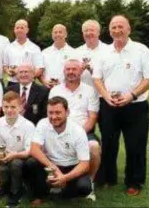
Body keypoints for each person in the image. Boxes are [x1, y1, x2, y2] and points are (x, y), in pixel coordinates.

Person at [93, 15, 149, 196]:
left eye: (121, 26)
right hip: (109, 106)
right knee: (109, 143)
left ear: (128, 29)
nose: (117, 30)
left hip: (136, 106)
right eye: (113, 27)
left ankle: (134, 181)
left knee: (135, 144)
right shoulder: (104, 52)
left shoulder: (141, 50)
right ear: (109, 30)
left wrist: (132, 95)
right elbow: (97, 78)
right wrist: (106, 97)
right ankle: (108, 178)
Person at [49, 57, 101, 201]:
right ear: (64, 71)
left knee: (94, 147)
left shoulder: (90, 90)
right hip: (58, 131)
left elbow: (92, 118)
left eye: (74, 69)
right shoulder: (55, 90)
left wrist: (78, 134)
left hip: (84, 132)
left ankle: (90, 182)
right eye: (68, 69)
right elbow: (51, 115)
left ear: (81, 71)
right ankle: (54, 180)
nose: (71, 72)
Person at [27, 96, 92, 206]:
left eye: (58, 113)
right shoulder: (43, 123)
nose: (53, 117)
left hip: (71, 167)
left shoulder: (78, 131)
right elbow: (34, 149)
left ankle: (61, 192)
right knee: (31, 163)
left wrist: (65, 178)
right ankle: (40, 194)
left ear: (67, 112)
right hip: (50, 166)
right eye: (50, 113)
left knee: (84, 187)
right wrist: (54, 168)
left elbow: (85, 164)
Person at [0, 91, 35, 207]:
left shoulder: (28, 125)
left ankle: (16, 193)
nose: (9, 110)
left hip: (21, 163)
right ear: (2, 107)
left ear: (21, 107)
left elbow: (29, 151)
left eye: (13, 107)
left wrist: (14, 155)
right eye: (6, 107)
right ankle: (9, 184)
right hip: (2, 163)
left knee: (15, 163)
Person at [3, 19, 44, 87]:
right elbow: (5, 66)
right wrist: (8, 72)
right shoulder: (8, 48)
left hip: (29, 84)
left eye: (22, 28)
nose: (19, 30)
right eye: (17, 28)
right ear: (14, 30)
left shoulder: (35, 48)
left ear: (27, 30)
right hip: (13, 83)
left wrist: (28, 77)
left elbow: (40, 69)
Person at [39, 24, 75, 88]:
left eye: (60, 32)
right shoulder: (44, 52)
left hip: (66, 89)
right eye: (55, 32)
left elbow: (76, 73)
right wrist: (44, 82)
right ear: (52, 35)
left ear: (66, 34)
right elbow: (40, 72)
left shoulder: (73, 52)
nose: (57, 34)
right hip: (47, 89)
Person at [75, 20, 109, 87]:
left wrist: (93, 71)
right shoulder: (76, 52)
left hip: (103, 95)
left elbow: (112, 75)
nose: (88, 33)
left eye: (91, 30)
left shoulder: (108, 50)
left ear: (98, 32)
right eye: (86, 31)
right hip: (82, 94)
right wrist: (79, 71)